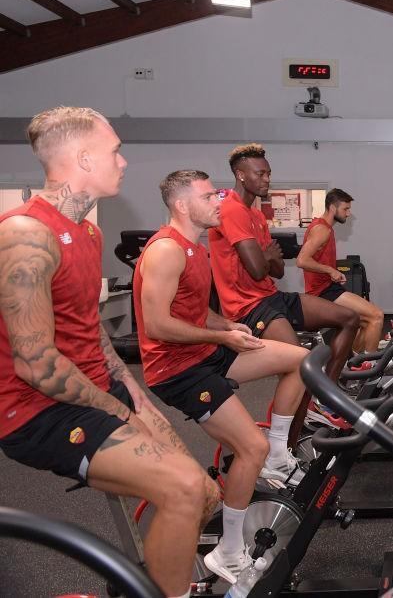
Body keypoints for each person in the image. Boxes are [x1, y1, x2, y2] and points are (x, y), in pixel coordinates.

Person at [0, 107, 219, 598]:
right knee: (182, 488)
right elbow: (36, 364)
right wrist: (121, 411)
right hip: (38, 410)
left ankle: (146, 583)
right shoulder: (24, 234)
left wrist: (133, 393)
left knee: (202, 495)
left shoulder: (89, 231)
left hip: (97, 386)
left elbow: (89, 328)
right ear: (82, 158)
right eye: (114, 151)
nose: (123, 162)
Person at [134, 169, 311, 584]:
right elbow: (158, 325)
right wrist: (221, 335)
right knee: (250, 449)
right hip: (179, 371)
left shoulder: (194, 249)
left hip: (206, 352)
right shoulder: (166, 250)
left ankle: (281, 453)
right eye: (209, 195)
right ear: (182, 205)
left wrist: (229, 326)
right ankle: (228, 552)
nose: (218, 201)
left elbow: (193, 311)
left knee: (301, 361)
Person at [206, 143, 358, 438]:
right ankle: (284, 451)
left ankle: (323, 398)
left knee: (349, 319)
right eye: (260, 174)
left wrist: (268, 257)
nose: (266, 179)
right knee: (301, 368)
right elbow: (258, 268)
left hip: (271, 296)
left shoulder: (258, 216)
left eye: (268, 173)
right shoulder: (232, 210)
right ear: (240, 175)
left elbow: (274, 269)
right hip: (249, 307)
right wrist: (268, 257)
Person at [297, 188, 385, 353]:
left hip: (329, 286)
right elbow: (302, 260)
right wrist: (330, 270)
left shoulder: (324, 228)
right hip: (323, 291)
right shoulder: (322, 229)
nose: (348, 213)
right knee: (377, 316)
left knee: (365, 322)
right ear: (332, 208)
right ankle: (370, 368)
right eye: (345, 208)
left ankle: (352, 363)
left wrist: (332, 273)